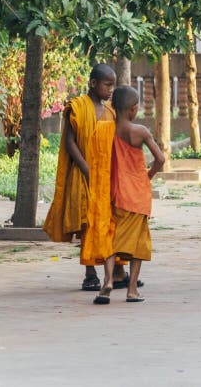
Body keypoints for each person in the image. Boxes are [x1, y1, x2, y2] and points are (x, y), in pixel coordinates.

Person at [43, 64, 137, 291]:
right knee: (89, 224)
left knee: (111, 221)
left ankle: (118, 271)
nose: (111, 90)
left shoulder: (112, 112)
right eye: (107, 85)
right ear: (93, 83)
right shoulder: (77, 107)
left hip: (107, 176)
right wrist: (86, 169)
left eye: (113, 86)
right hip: (82, 174)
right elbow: (69, 142)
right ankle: (90, 273)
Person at [92, 86, 164, 304]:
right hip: (137, 194)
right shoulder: (140, 131)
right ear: (133, 109)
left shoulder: (105, 130)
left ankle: (107, 281)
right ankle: (132, 290)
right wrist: (147, 176)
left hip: (115, 193)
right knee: (138, 244)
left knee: (111, 239)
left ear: (113, 107)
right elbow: (160, 159)